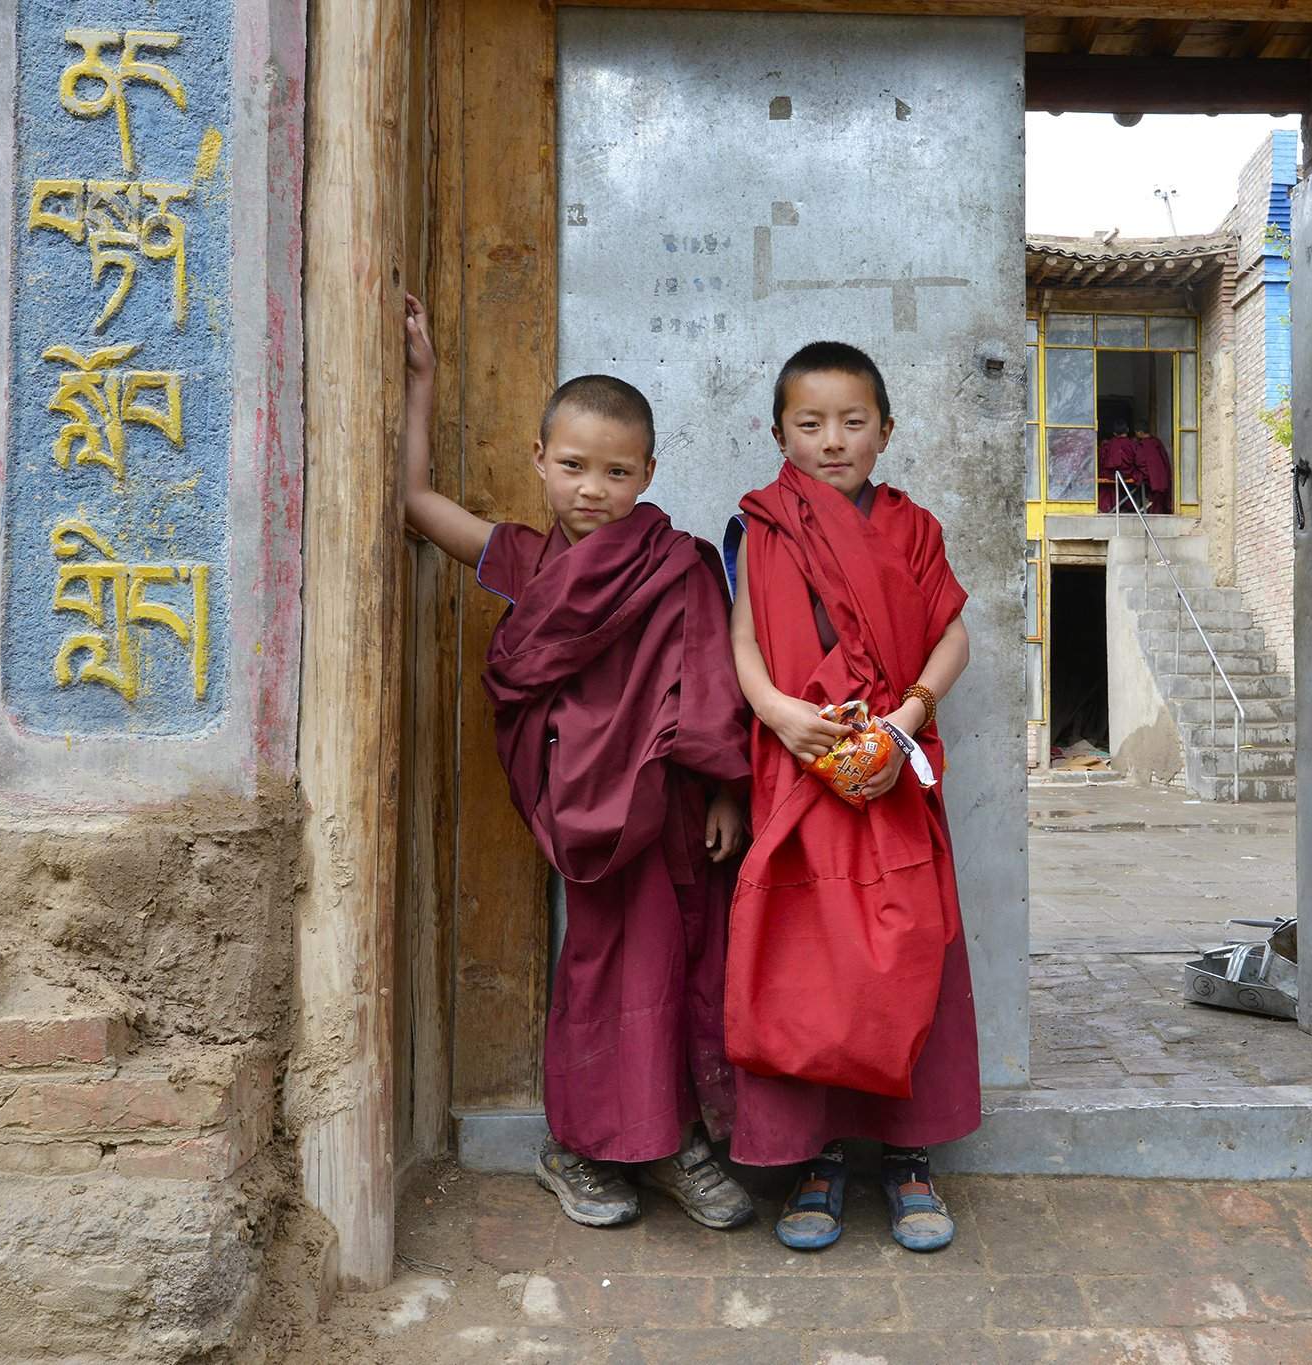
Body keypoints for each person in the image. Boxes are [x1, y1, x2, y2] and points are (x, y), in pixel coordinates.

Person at [399, 294, 756, 1232]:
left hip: (673, 804)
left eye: (615, 471)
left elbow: (710, 675)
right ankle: (583, 1147)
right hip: (593, 812)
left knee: (686, 965)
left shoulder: (676, 563)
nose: (591, 489)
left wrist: (726, 787)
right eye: (571, 466)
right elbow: (417, 504)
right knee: (602, 969)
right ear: (538, 460)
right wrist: (422, 383)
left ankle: (676, 1142)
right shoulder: (525, 559)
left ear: (647, 472)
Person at [725, 341, 979, 1254]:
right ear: (778, 433)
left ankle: (909, 1156)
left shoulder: (913, 528)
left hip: (891, 767)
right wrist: (779, 714)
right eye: (810, 423)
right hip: (801, 763)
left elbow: (951, 636)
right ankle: (819, 1154)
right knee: (811, 962)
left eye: (853, 421)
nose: (832, 439)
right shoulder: (762, 526)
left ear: (885, 430)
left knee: (910, 948)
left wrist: (909, 717)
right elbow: (744, 638)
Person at [1131, 420, 1174, 515]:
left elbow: (1139, 462)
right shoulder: (1157, 442)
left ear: (1140, 433)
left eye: (1136, 433)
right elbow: (1165, 459)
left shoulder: (1144, 445)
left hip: (1152, 479)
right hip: (1162, 478)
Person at [1097, 417, 1136, 512]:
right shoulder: (1133, 444)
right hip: (1128, 474)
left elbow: (1101, 462)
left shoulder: (1108, 445)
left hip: (1110, 475)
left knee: (1104, 484)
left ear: (1114, 433)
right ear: (1127, 430)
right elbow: (1138, 461)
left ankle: (1105, 508)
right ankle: (1126, 507)